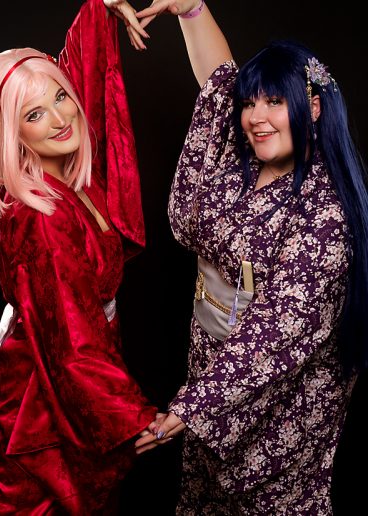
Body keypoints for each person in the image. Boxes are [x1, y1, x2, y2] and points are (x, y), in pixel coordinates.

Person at [124, 1, 368, 514]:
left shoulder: (326, 214)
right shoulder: (241, 157)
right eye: (250, 102)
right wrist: (192, 9)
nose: (256, 117)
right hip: (210, 360)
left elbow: (276, 329)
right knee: (206, 493)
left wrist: (190, 409)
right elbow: (219, 82)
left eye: (274, 101)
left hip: (281, 389)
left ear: (313, 107)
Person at [0, 0, 158, 514]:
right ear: (13, 133)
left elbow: (83, 84)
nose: (60, 118)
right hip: (47, 385)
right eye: (34, 114)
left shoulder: (59, 176)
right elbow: (72, 340)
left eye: (60, 97)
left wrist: (99, 8)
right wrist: (131, 416)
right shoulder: (43, 218)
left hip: (70, 366)